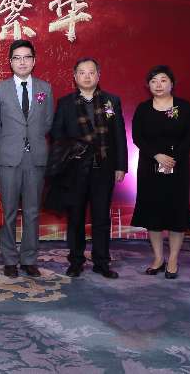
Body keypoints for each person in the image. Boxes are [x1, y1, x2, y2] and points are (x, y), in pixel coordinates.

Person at [49, 58, 127, 279]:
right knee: (75, 217)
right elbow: (56, 134)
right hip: (75, 169)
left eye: (91, 72)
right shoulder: (66, 103)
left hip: (104, 168)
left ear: (98, 75)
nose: (86, 76)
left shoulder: (111, 101)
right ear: (75, 77)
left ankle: (101, 262)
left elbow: (119, 135)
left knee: (101, 217)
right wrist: (73, 149)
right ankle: (76, 261)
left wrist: (121, 166)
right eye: (82, 73)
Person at [0, 40, 54, 278]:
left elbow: (47, 122)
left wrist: (31, 141)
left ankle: (29, 259)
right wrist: (10, 144)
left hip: (35, 157)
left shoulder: (45, 88)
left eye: (27, 57)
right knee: (7, 211)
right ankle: (9, 259)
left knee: (32, 211)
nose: (22, 62)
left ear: (34, 61)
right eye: (17, 58)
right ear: (10, 62)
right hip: (9, 158)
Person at [131, 65, 190, 279]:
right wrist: (156, 155)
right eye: (153, 81)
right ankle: (158, 258)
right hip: (150, 167)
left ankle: (174, 259)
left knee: (176, 212)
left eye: (163, 80)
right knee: (153, 212)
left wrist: (172, 158)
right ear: (148, 85)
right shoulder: (143, 108)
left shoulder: (184, 107)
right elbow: (137, 137)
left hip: (178, 167)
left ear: (172, 83)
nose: (158, 85)